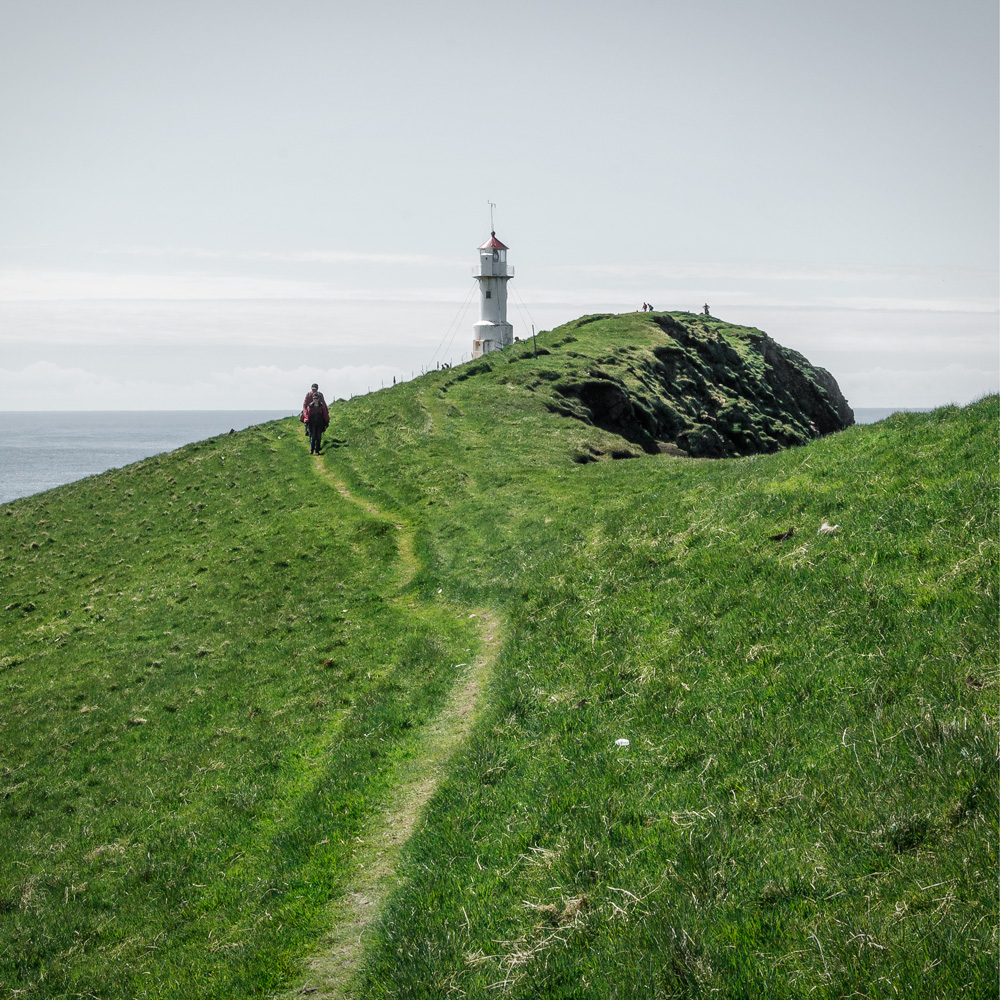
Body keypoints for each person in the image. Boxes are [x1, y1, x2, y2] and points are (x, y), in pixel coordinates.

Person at [301, 383, 329, 455]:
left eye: (315, 389)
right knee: (312, 435)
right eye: (313, 389)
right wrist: (306, 417)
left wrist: (326, 418)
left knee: (318, 436)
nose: (314, 390)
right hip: (310, 418)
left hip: (319, 421)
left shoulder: (320, 397)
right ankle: (312, 448)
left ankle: (317, 448)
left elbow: (324, 406)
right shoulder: (308, 396)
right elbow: (304, 406)